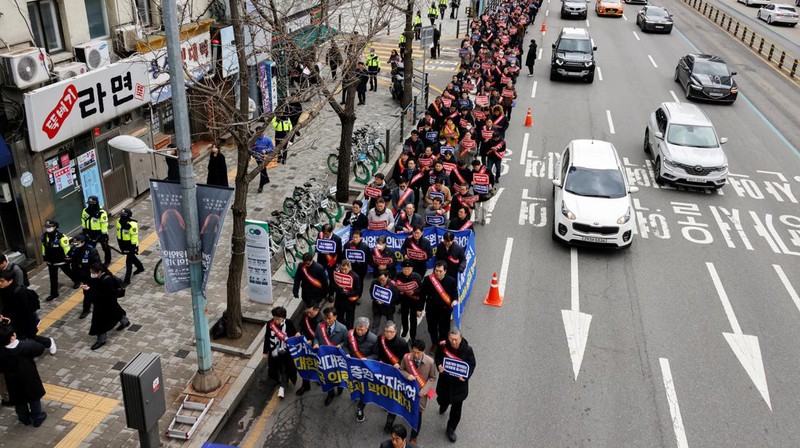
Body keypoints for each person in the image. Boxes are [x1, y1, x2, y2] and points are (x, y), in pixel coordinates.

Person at [0, 325, 48, 427]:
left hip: (12, 381)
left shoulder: (1, 352)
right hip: (30, 378)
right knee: (34, 399)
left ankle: (24, 418)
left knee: (19, 400)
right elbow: (40, 348)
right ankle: (37, 418)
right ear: (13, 335)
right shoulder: (26, 345)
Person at [435, 329, 476, 443]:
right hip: (445, 382)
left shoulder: (468, 350)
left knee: (456, 410)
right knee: (442, 399)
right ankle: (443, 404)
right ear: (448, 338)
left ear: (460, 339)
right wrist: (439, 365)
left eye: (456, 340)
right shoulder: (443, 346)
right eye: (451, 339)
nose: (453, 342)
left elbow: (472, 364)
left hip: (459, 386)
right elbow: (437, 357)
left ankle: (451, 428)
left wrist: (466, 376)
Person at [0, 270, 55, 354]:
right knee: (16, 336)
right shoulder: (3, 289)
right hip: (10, 319)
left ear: (10, 280)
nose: (0, 283)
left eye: (2, 281)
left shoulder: (20, 292)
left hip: (24, 320)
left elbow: (27, 311)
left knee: (27, 336)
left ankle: (48, 342)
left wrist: (11, 318)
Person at [83, 263, 130, 350]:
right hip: (108, 302)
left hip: (103, 304)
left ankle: (101, 340)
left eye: (93, 272)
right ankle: (125, 322)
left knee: (99, 322)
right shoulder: (101, 277)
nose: (92, 274)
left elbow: (102, 294)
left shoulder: (106, 281)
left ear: (99, 272)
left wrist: (89, 290)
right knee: (116, 312)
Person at [399, 339, 437, 444]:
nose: (416, 355)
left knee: (418, 414)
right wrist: (407, 375)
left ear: (423, 351)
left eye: (418, 353)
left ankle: (414, 435)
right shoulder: (406, 358)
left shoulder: (430, 362)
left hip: (420, 393)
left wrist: (424, 391)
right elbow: (401, 370)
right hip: (408, 390)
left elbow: (432, 377)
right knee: (406, 408)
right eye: (414, 352)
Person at [345, 317, 378, 422]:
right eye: (358, 329)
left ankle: (360, 407)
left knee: (365, 388)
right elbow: (345, 345)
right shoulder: (350, 335)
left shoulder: (373, 339)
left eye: (362, 330)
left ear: (367, 328)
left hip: (365, 368)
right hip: (353, 366)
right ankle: (355, 395)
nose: (359, 332)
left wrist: (367, 359)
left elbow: (376, 354)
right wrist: (346, 353)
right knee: (354, 384)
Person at [313, 307, 348, 406]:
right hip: (324, 358)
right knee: (327, 376)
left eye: (329, 318)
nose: (327, 321)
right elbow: (316, 337)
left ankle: (340, 387)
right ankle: (330, 394)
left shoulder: (343, 328)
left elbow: (346, 342)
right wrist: (316, 343)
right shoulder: (320, 326)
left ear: (335, 317)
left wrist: (340, 345)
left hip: (337, 358)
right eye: (325, 318)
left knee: (338, 375)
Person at [422, 261, 458, 350]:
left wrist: (454, 300)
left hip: (444, 311)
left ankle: (442, 345)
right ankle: (434, 343)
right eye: (436, 270)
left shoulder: (451, 281)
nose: (438, 273)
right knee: (432, 329)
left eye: (440, 271)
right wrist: (419, 309)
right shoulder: (428, 280)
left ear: (445, 271)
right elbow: (423, 295)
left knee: (444, 330)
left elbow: (454, 293)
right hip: (431, 310)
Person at [263, 306, 297, 398]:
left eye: (278, 319)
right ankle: (278, 380)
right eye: (274, 318)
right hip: (274, 351)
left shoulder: (289, 323)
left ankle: (282, 387)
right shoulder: (270, 324)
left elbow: (294, 335)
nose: (276, 321)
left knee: (284, 368)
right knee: (275, 368)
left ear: (283, 318)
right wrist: (265, 351)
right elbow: (267, 337)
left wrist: (297, 335)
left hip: (286, 352)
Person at [40, 219, 77, 302]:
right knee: (53, 278)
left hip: (61, 260)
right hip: (51, 261)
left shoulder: (61, 237)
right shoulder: (44, 236)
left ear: (55, 227)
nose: (47, 228)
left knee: (68, 272)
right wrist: (44, 256)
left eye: (49, 227)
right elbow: (43, 247)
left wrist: (68, 258)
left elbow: (66, 249)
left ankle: (76, 281)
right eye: (46, 227)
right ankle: (54, 293)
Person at [68, 235, 101, 319]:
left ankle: (86, 309)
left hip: (88, 276)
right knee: (89, 292)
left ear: (83, 242)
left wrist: (92, 273)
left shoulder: (91, 250)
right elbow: (69, 255)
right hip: (79, 274)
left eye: (77, 243)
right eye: (74, 243)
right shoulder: (74, 249)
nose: (75, 244)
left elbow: (97, 263)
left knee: (87, 292)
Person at [295, 302, 323, 396]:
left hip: (317, 346)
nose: (308, 314)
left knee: (317, 364)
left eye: (310, 312)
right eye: (307, 312)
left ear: (316, 310)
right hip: (305, 343)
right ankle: (305, 385)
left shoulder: (322, 320)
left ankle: (319, 378)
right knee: (305, 364)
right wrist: (299, 332)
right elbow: (300, 324)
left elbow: (322, 336)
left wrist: (313, 341)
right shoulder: (306, 314)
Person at [394, 261, 423, 340]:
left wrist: (414, 292)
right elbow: (395, 285)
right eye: (404, 269)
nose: (406, 270)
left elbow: (422, 290)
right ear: (402, 269)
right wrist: (399, 291)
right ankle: (405, 330)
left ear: (412, 269)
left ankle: (413, 335)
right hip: (404, 300)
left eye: (408, 269)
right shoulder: (398, 275)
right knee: (404, 316)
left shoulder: (417, 277)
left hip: (414, 300)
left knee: (413, 319)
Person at [116, 208, 145, 286]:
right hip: (122, 244)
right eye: (121, 214)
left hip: (130, 245)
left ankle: (127, 280)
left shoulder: (132, 224)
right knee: (132, 257)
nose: (121, 216)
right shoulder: (118, 221)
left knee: (128, 262)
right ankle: (140, 267)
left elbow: (134, 237)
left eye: (123, 215)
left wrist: (134, 247)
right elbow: (118, 233)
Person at [81, 195, 111, 265]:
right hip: (90, 233)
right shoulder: (85, 211)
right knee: (90, 248)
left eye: (92, 203)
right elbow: (83, 220)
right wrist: (84, 230)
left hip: (100, 233)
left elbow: (104, 224)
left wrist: (104, 234)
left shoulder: (101, 213)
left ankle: (107, 260)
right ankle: (94, 262)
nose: (90, 205)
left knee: (105, 248)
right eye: (89, 203)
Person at [332, 260, 362, 329]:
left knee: (349, 318)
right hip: (339, 299)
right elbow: (333, 285)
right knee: (339, 317)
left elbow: (358, 291)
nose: (343, 271)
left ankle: (349, 331)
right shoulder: (337, 274)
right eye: (342, 269)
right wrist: (340, 290)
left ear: (350, 268)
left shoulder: (355, 277)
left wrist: (347, 293)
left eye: (345, 269)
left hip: (349, 301)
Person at [316, 224, 343, 300]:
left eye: (327, 234)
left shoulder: (337, 239)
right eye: (324, 233)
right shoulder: (320, 235)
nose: (325, 235)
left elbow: (339, 252)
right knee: (320, 277)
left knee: (332, 279)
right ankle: (322, 292)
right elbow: (318, 245)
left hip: (331, 261)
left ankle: (331, 294)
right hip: (321, 260)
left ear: (331, 231)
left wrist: (338, 263)